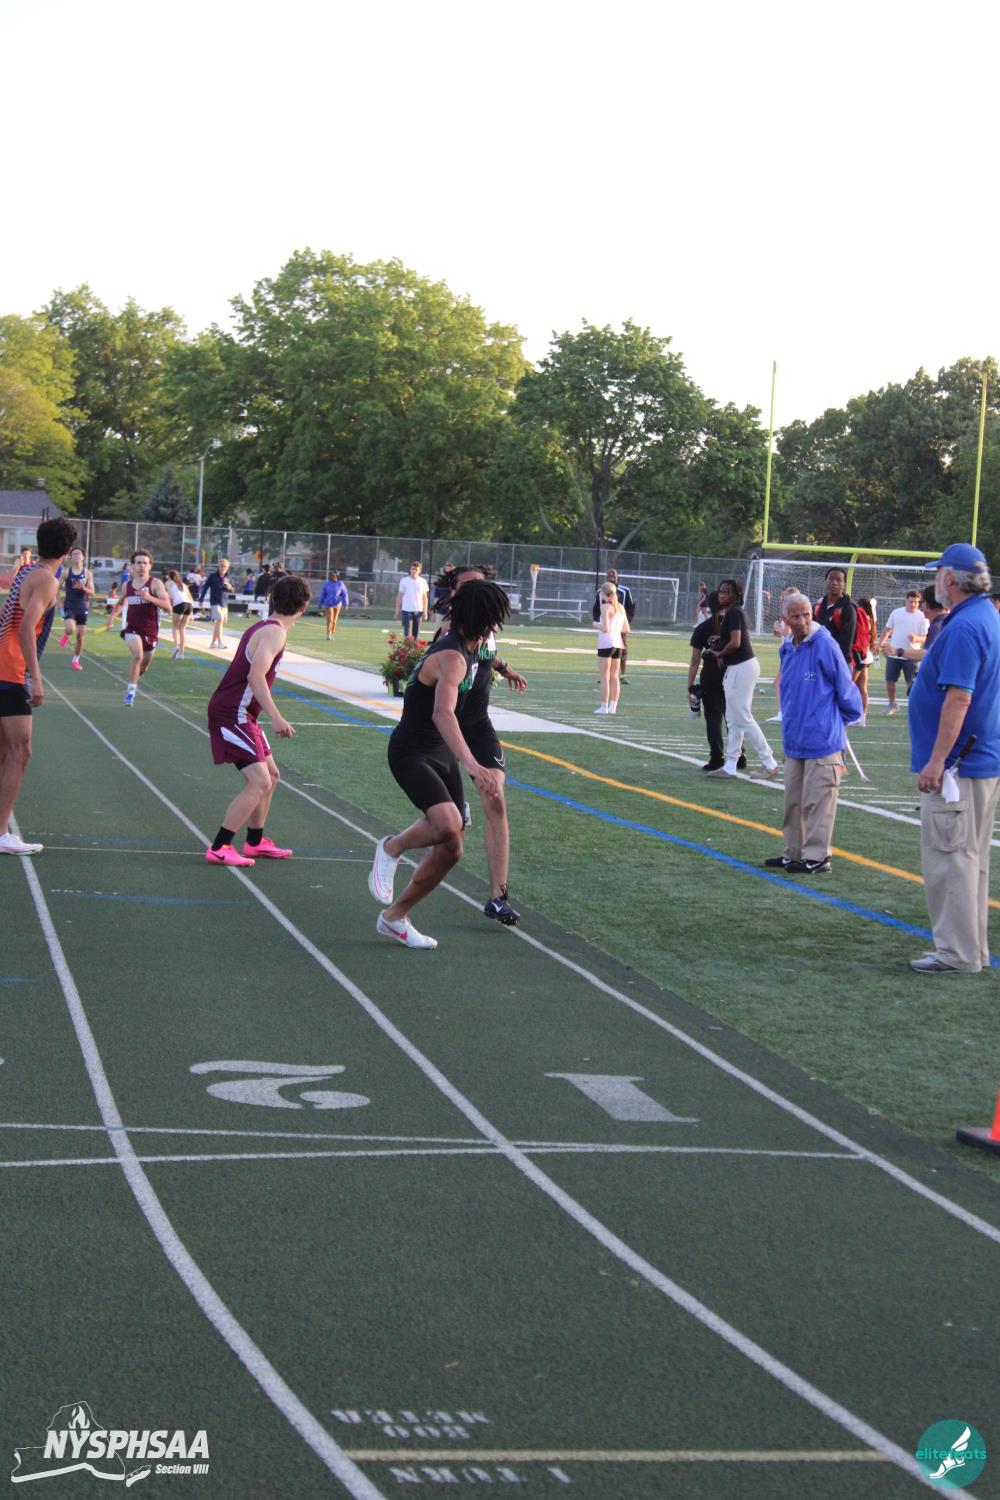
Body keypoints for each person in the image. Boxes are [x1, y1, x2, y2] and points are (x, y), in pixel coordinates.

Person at [368, 579, 510, 949]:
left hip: (440, 752)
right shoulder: (452, 656)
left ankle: (394, 918)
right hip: (411, 751)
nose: (497, 626)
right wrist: (473, 765)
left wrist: (507, 670)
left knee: (453, 846)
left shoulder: (475, 648)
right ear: (484, 621)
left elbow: (484, 670)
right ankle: (392, 847)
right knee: (448, 823)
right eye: (494, 619)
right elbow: (443, 713)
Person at [907, 544, 1000, 974]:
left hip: (959, 766)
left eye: (938, 573)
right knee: (970, 860)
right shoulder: (984, 616)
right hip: (977, 760)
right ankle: (971, 949)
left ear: (950, 578)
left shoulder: (964, 626)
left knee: (951, 860)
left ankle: (957, 953)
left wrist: (937, 760)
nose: (935, 581)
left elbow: (959, 698)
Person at [436, 563, 528, 925]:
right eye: (468, 585)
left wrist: (505, 669)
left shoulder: (485, 627)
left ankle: (498, 897)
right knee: (448, 825)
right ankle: (398, 857)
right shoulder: (448, 635)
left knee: (495, 798)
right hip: (447, 728)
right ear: (456, 593)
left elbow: (486, 654)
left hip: (478, 724)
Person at [205, 574, 310, 867]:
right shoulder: (274, 633)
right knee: (259, 780)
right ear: (303, 607)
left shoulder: (266, 627)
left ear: (272, 599)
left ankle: (254, 842)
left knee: (272, 775)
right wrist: (276, 717)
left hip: (243, 714)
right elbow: (256, 676)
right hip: (232, 713)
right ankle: (220, 846)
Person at [762, 593, 862, 875]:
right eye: (795, 616)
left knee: (818, 803)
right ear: (785, 618)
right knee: (793, 802)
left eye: (806, 614)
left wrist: (836, 723)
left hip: (822, 739)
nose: (802, 621)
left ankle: (818, 857)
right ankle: (793, 853)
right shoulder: (787, 647)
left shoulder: (825, 645)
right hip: (795, 739)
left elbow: (845, 688)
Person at [0, 517, 77, 854]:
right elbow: (25, 627)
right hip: (11, 670)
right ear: (68, 551)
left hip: (4, 666)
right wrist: (35, 678)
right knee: (21, 752)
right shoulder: (46, 579)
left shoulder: (27, 572)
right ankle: (2, 833)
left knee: (6, 752)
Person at [705, 579, 779, 780]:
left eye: (727, 592)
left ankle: (769, 761)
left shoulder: (734, 612)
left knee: (742, 716)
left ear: (736, 594)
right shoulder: (732, 612)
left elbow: (736, 643)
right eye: (721, 591)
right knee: (733, 718)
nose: (723, 595)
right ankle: (730, 764)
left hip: (742, 666)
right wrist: (720, 641)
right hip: (738, 667)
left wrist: (719, 653)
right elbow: (734, 638)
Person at [687, 591, 746, 772]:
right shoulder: (735, 624)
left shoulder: (703, 627)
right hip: (732, 673)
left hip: (711, 676)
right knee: (733, 717)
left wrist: (690, 687)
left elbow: (695, 660)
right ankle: (739, 755)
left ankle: (716, 757)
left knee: (713, 718)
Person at [106, 550, 172, 706]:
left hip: (150, 632)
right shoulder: (127, 585)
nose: (142, 566)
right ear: (133, 566)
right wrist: (111, 619)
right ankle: (130, 693)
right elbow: (121, 603)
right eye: (139, 563)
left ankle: (134, 679)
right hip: (132, 629)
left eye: (145, 563)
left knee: (144, 666)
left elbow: (168, 606)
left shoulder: (155, 584)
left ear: (150, 566)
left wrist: (149, 597)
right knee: (137, 656)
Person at [877, 589, 928, 715]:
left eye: (916, 602)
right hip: (893, 654)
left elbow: (925, 637)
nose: (913, 604)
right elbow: (887, 630)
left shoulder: (922, 617)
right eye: (911, 601)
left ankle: (914, 706)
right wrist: (879, 644)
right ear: (906, 601)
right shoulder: (896, 613)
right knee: (890, 680)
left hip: (912, 656)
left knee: (912, 684)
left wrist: (916, 638)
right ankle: (892, 704)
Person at [592, 569, 636, 682]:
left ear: (618, 576)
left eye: (614, 574)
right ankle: (605, 676)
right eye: (609, 574)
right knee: (607, 655)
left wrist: (624, 622)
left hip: (617, 629)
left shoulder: (625, 591)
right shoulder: (600, 592)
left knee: (623, 651)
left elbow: (631, 608)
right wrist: (598, 621)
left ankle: (622, 675)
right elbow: (595, 608)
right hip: (607, 631)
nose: (612, 576)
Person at [57, 547, 94, 671]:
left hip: (82, 606)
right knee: (70, 628)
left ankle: (75, 661)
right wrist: (58, 602)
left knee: (81, 636)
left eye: (78, 554)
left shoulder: (87, 573)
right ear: (71, 557)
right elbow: (56, 587)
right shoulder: (66, 572)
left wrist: (84, 588)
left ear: (83, 557)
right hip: (69, 605)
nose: (76, 556)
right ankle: (66, 635)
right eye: (74, 554)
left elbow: (92, 592)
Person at [813, 567, 858, 667]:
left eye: (838, 580)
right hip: (818, 658)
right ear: (826, 581)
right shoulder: (818, 605)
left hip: (838, 662)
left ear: (844, 584)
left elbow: (846, 643)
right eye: (831, 579)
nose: (834, 583)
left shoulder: (848, 608)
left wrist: (837, 663)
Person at [594, 582, 627, 715]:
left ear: (604, 593)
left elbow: (605, 628)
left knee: (604, 676)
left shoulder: (605, 607)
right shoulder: (620, 607)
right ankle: (613, 707)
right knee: (614, 677)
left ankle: (604, 707)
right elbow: (626, 628)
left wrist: (595, 624)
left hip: (606, 643)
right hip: (618, 643)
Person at [850, 597, 877, 723]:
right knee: (861, 688)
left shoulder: (863, 619)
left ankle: (858, 716)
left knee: (850, 686)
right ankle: (862, 718)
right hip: (866, 656)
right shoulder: (870, 619)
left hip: (861, 655)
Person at [200, 558, 235, 649]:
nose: (223, 568)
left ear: (228, 567)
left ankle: (213, 642)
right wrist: (201, 599)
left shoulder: (228, 577)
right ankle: (220, 642)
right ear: (218, 566)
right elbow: (205, 588)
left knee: (219, 623)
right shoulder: (212, 576)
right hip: (214, 602)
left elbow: (232, 590)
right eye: (221, 566)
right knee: (219, 619)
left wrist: (229, 587)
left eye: (225, 566)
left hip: (224, 602)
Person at [396, 561, 429, 640]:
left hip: (418, 611)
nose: (413, 571)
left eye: (416, 569)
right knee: (407, 633)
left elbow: (424, 598)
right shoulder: (404, 581)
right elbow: (399, 596)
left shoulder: (423, 582)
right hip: (406, 610)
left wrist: (425, 612)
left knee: (415, 634)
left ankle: (414, 647)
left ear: (419, 571)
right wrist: (397, 611)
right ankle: (406, 647)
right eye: (412, 569)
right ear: (410, 569)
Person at [166, 569, 195, 658]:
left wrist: (169, 608)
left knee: (175, 626)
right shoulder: (184, 585)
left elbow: (170, 597)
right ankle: (181, 654)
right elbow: (191, 599)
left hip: (179, 604)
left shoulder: (168, 583)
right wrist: (191, 613)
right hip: (188, 605)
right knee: (182, 629)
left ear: (169, 576)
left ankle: (176, 647)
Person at [318, 571, 349, 639]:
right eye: (331, 576)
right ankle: (328, 634)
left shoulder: (340, 584)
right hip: (328, 604)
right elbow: (323, 594)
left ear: (337, 576)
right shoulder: (327, 584)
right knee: (330, 619)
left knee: (334, 621)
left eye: (333, 576)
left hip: (337, 604)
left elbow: (344, 594)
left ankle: (332, 634)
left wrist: (345, 603)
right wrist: (320, 603)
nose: (332, 577)